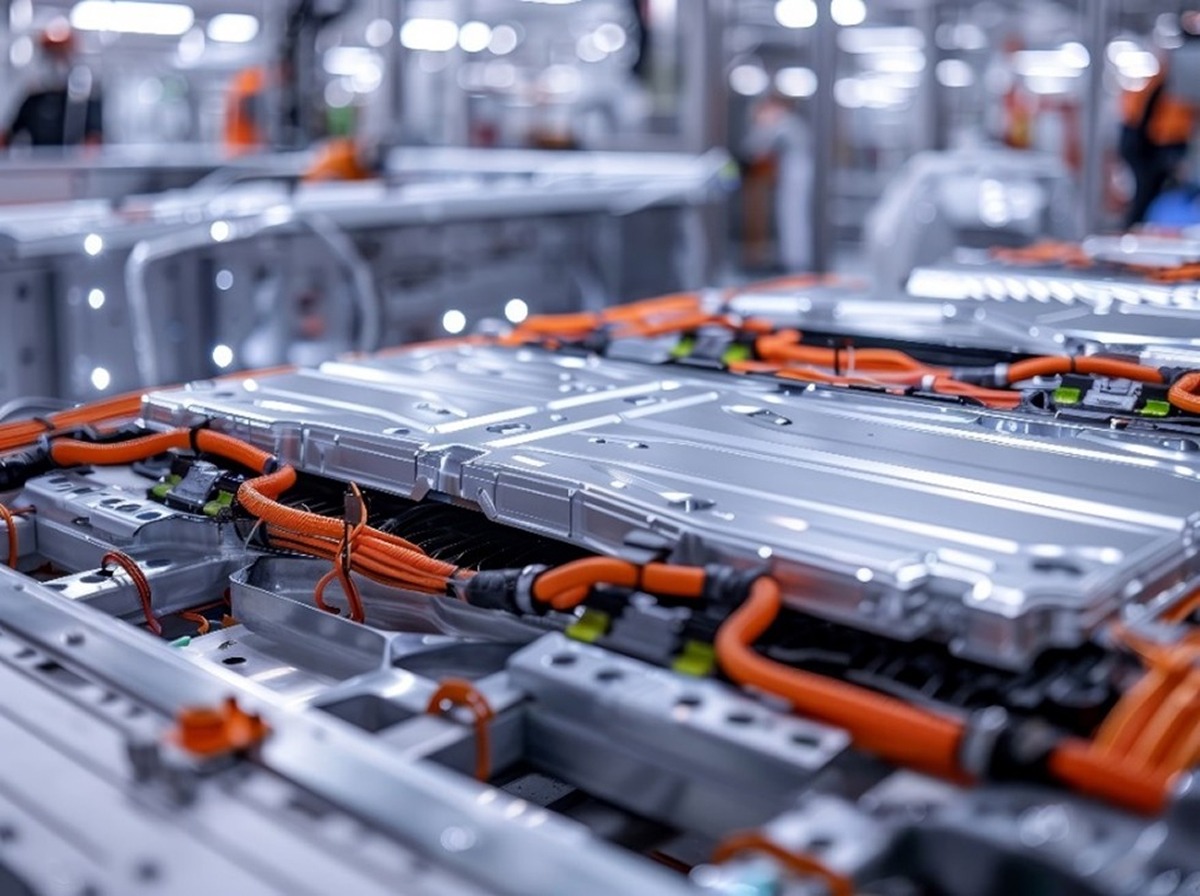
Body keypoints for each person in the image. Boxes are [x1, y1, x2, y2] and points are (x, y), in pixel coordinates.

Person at [1, 19, 102, 148]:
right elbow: (8, 135)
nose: (56, 62)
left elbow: (94, 141)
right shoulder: (34, 100)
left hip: (73, 166)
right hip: (40, 165)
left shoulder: (85, 101)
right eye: (52, 55)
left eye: (61, 54)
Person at [1119, 58, 1194, 228]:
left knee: (1148, 192)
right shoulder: (1164, 84)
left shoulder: (1159, 84)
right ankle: (1136, 228)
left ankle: (1137, 227)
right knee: (1146, 192)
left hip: (1152, 143)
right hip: (1155, 145)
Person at [743, 93, 813, 273]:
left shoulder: (785, 123)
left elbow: (758, 145)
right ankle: (792, 258)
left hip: (795, 173)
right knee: (789, 217)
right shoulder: (788, 123)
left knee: (793, 218)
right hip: (791, 173)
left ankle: (795, 261)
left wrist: (762, 123)